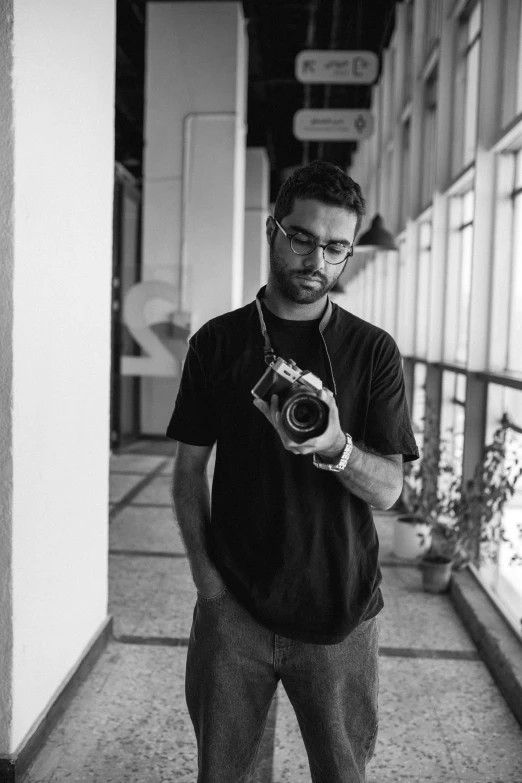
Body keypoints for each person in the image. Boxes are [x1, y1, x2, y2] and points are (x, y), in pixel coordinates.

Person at [167, 159, 419, 783]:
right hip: (234, 610)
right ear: (275, 230)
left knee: (342, 773)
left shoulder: (373, 350)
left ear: (349, 252)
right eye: (302, 238)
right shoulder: (218, 343)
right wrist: (207, 583)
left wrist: (335, 446)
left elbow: (389, 490)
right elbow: (188, 468)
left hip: (342, 607)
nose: (317, 259)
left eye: (336, 247)